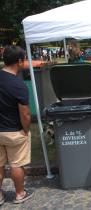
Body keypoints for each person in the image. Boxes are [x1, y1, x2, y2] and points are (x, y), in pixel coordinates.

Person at [0, 46, 34, 205]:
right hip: (14, 131)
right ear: (19, 61)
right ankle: (19, 193)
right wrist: (26, 130)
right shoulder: (18, 85)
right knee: (17, 164)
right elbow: (25, 114)